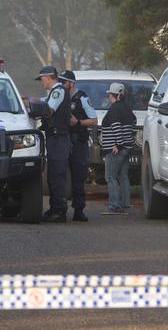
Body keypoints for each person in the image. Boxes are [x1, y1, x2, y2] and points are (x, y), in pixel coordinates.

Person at [25, 66, 72, 222]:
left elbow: (49, 110)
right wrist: (26, 100)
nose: (42, 82)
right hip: (55, 139)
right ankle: (54, 209)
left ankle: (59, 211)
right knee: (53, 175)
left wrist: (34, 111)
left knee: (57, 175)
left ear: (49, 77)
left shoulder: (58, 91)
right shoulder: (54, 93)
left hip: (59, 139)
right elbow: (42, 101)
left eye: (42, 79)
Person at [58, 70, 98, 222]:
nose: (61, 85)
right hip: (62, 141)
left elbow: (93, 120)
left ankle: (79, 210)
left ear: (71, 84)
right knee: (59, 175)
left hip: (78, 142)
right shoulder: (58, 97)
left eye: (63, 82)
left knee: (78, 177)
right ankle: (60, 209)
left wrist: (79, 123)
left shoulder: (81, 98)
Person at [100, 83, 136, 214]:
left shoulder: (114, 109)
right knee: (123, 175)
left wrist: (118, 144)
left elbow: (116, 126)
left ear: (114, 95)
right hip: (128, 146)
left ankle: (115, 204)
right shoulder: (127, 108)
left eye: (110, 94)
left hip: (116, 148)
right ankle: (125, 203)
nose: (109, 96)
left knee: (111, 176)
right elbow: (133, 122)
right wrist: (126, 139)